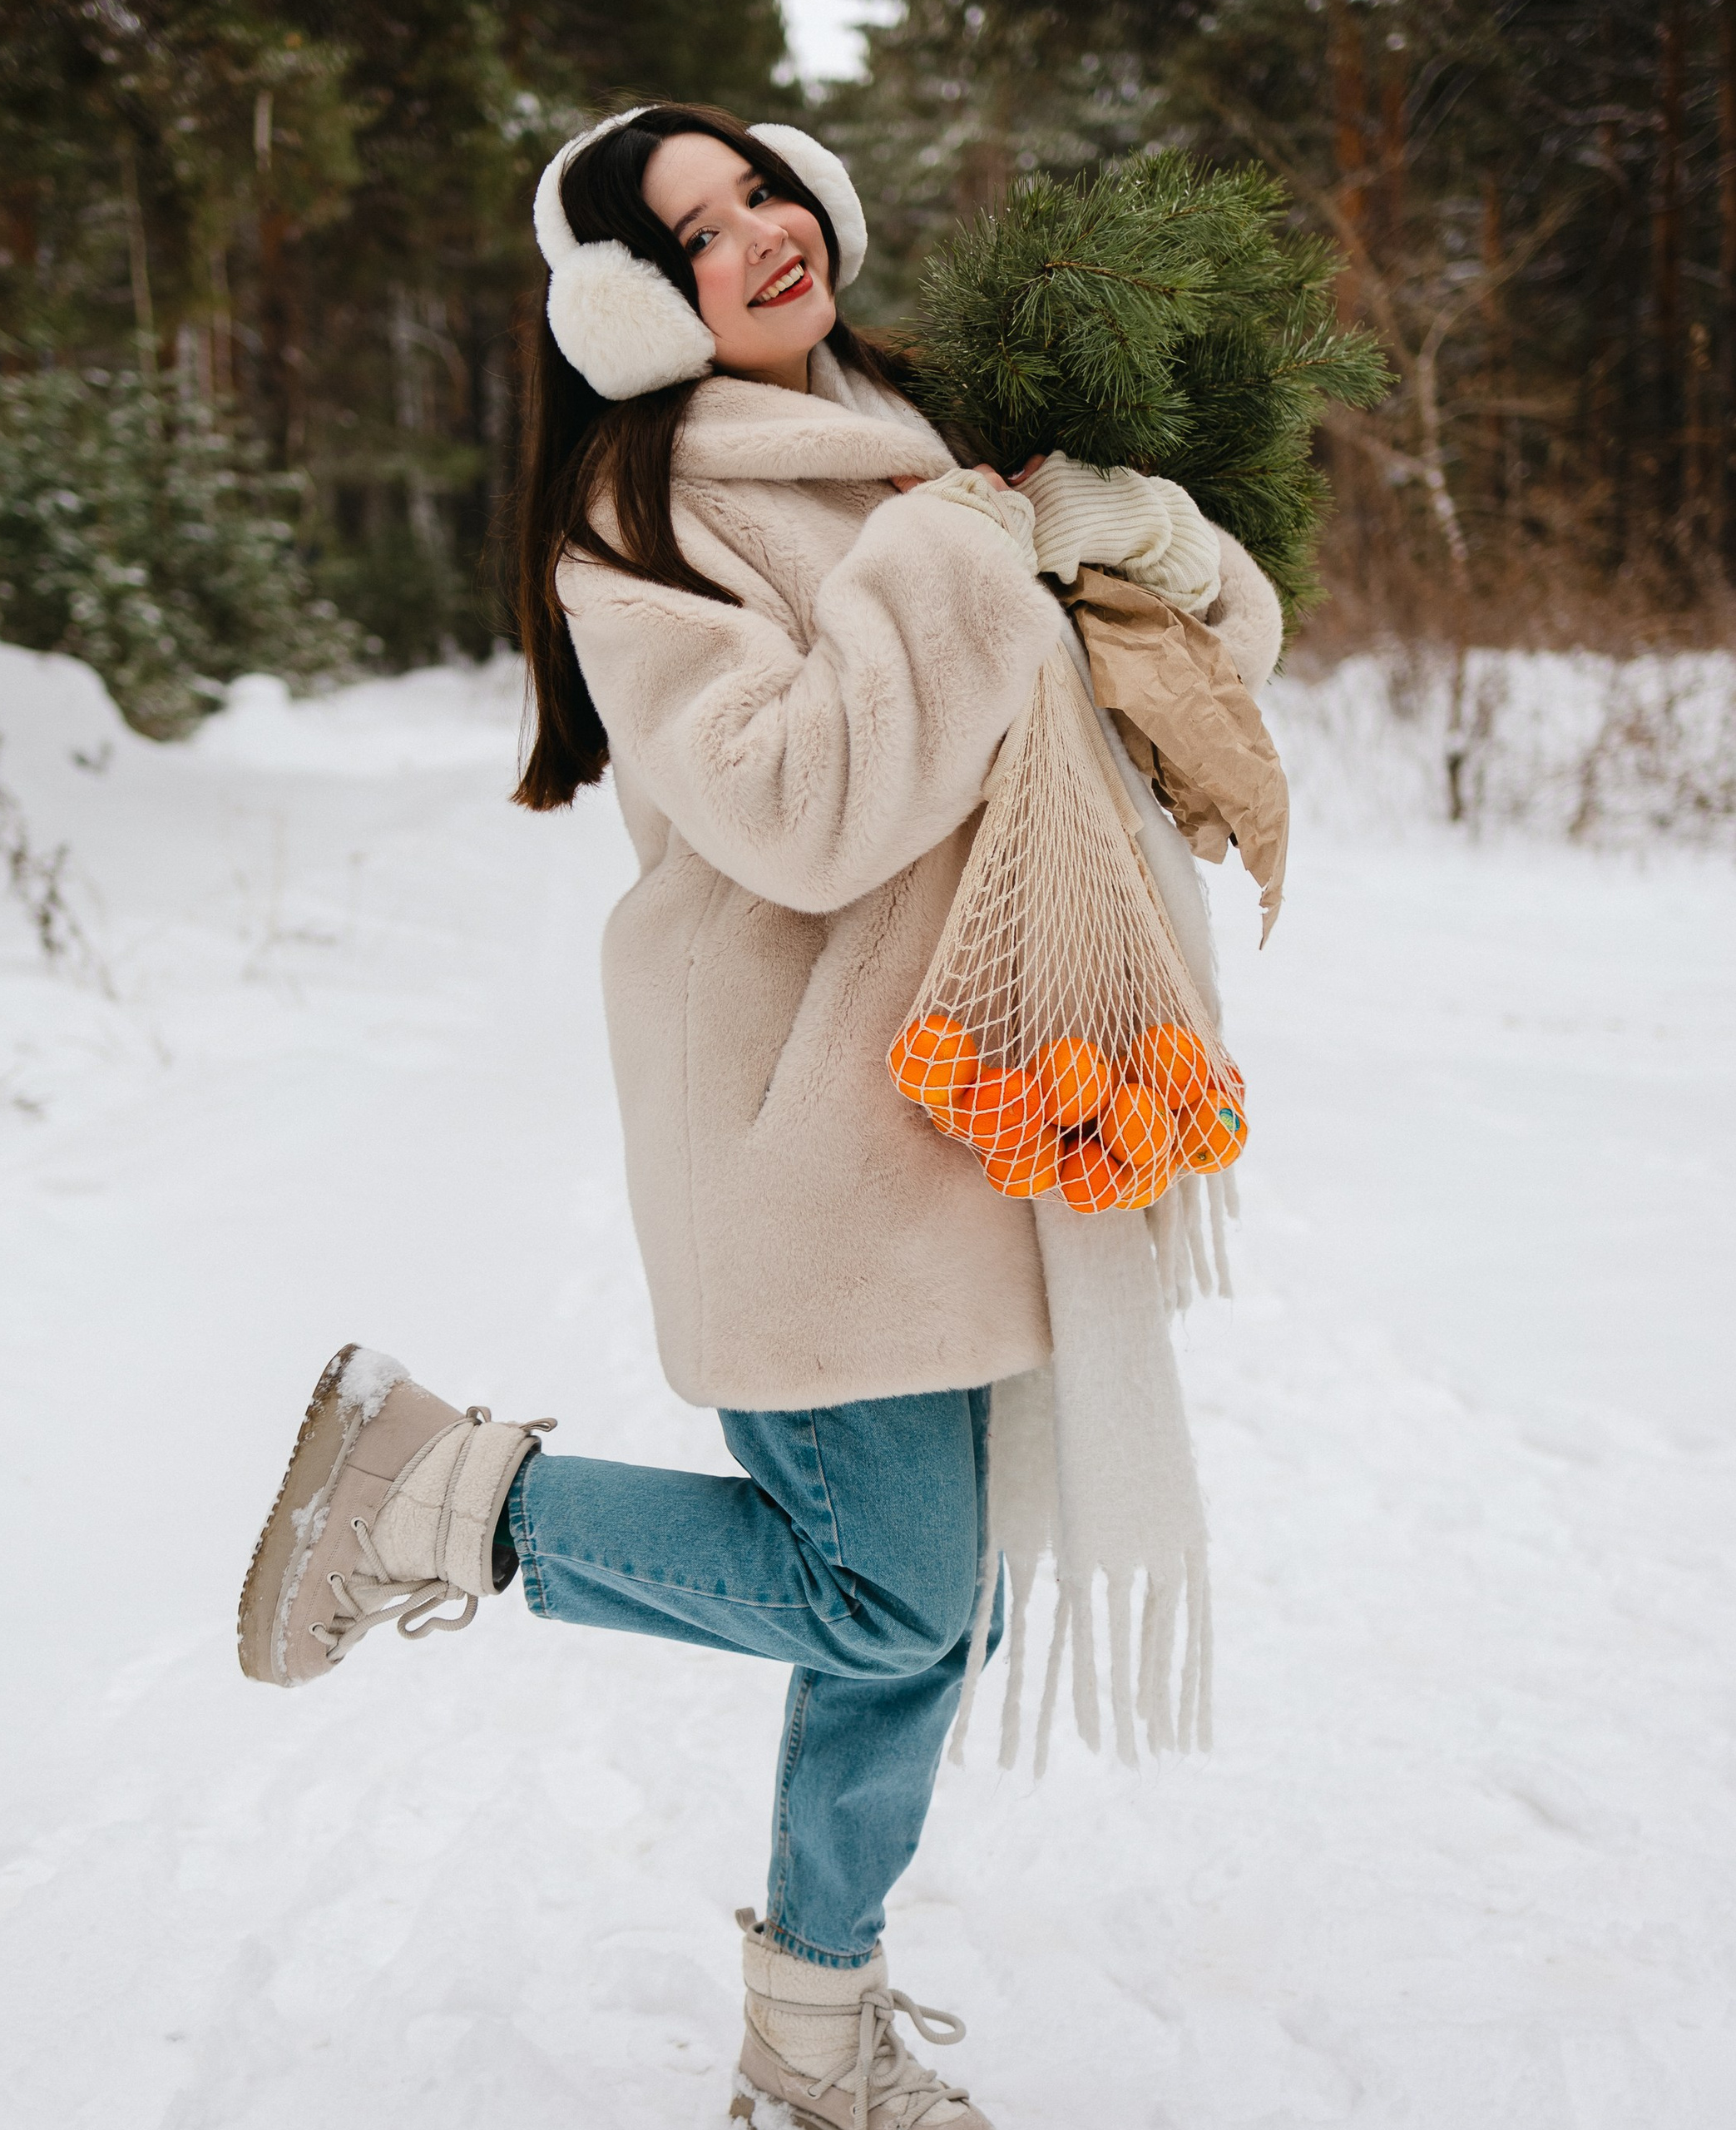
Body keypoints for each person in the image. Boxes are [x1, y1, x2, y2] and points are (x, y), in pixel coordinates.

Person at [236, 103, 1284, 2130]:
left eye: (762, 188)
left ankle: (811, 2032)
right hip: (811, 1146)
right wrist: (965, 545)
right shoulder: (637, 530)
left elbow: (1191, 678)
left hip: (982, 1115)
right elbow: (802, 811)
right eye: (696, 230)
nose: (758, 230)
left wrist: (1141, 532)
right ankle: (450, 1493)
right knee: (888, 1594)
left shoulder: (920, 434)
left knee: (922, 1624)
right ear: (633, 308)